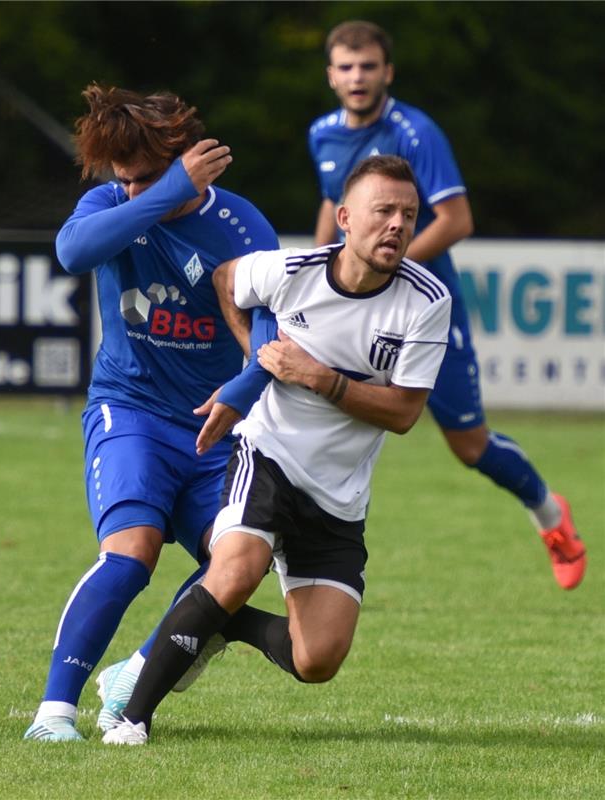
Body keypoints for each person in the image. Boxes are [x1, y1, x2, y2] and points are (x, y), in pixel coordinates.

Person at [102, 154, 452, 745]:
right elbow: (224, 282)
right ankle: (130, 715)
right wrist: (257, 359)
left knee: (316, 661)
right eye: (383, 211)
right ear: (344, 217)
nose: (396, 224)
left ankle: (223, 626)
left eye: (409, 215)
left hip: (339, 495)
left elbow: (404, 413)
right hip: (266, 455)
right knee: (236, 568)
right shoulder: (292, 270)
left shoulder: (426, 300)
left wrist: (320, 377)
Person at [23, 83, 280, 742]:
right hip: (130, 411)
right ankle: (54, 713)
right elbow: (73, 253)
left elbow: (272, 340)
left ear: (184, 157)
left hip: (217, 429)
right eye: (123, 177)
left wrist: (240, 395)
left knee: (236, 567)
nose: (130, 190)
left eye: (147, 178)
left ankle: (135, 674)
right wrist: (165, 191)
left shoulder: (241, 226)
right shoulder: (110, 202)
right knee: (130, 556)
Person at [308, 20, 585, 589]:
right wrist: (319, 269)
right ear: (331, 75)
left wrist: (391, 267)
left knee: (469, 445)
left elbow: (456, 219)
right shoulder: (322, 134)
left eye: (367, 66)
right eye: (346, 66)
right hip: (351, 303)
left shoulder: (417, 132)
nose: (357, 77)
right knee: (312, 409)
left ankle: (552, 517)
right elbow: (334, 203)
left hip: (424, 309)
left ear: (388, 72)